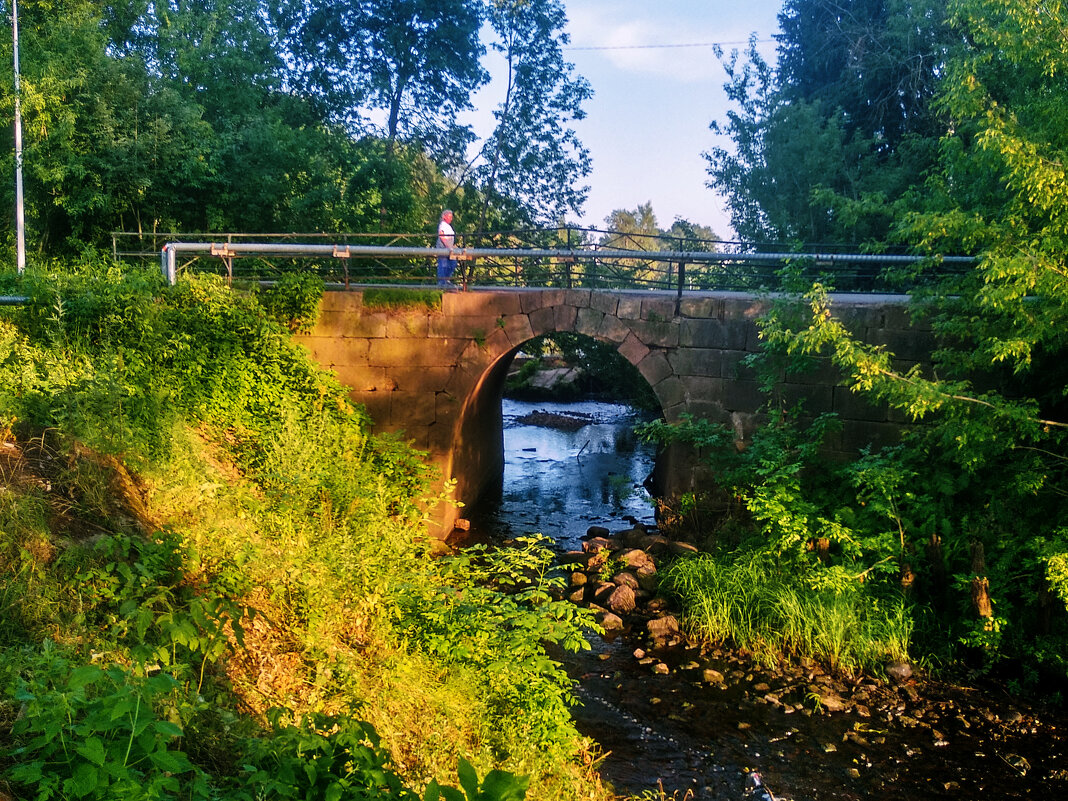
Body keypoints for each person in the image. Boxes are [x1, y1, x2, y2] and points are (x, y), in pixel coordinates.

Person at [436, 209, 457, 288]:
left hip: (449, 249)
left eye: (451, 217)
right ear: (444, 217)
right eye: (449, 217)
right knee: (443, 264)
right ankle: (442, 283)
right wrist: (448, 245)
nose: (451, 218)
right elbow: (442, 235)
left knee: (452, 263)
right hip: (443, 248)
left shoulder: (448, 226)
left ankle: (446, 280)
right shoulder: (442, 225)